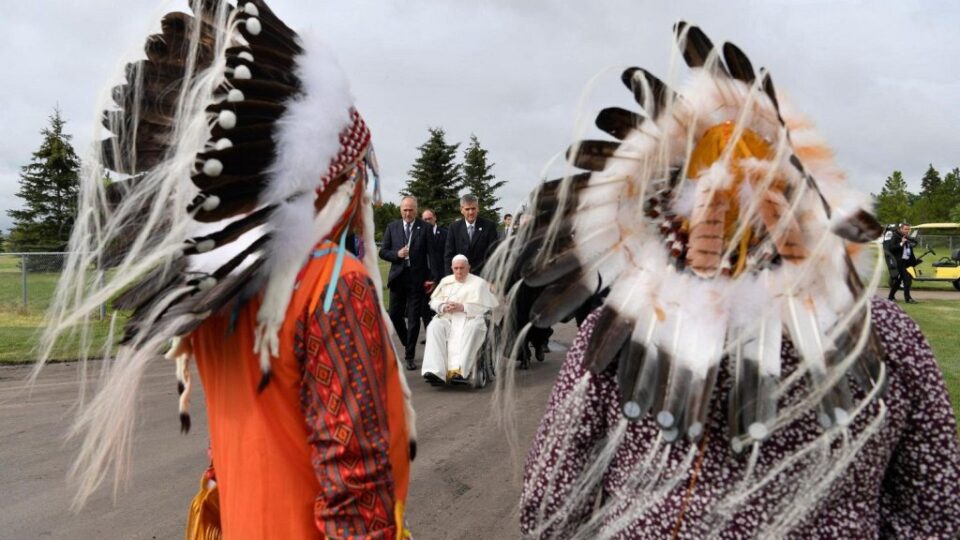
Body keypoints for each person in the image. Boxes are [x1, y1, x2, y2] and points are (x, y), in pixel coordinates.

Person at [491, 22, 960, 538]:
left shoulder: (614, 333)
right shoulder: (892, 336)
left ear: (671, 208)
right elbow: (934, 515)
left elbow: (549, 515)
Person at [35, 2, 415, 538]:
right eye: (359, 181)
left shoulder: (220, 288)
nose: (362, 202)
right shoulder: (333, 284)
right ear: (334, 181)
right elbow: (355, 477)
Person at [422, 255, 499, 384]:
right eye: (456, 268)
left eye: (462, 268)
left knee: (473, 328)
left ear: (468, 268)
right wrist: (443, 306)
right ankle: (435, 371)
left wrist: (463, 307)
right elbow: (434, 302)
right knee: (434, 326)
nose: (459, 271)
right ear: (452, 268)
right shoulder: (446, 281)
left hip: (470, 318)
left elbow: (485, 307)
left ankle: (461, 370)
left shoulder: (479, 283)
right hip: (448, 318)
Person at [380, 196, 437, 369]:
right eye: (405, 209)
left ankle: (409, 356)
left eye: (411, 209)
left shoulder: (425, 228)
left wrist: (432, 278)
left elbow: (433, 256)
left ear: (416, 210)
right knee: (394, 316)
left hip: (417, 280)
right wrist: (396, 255)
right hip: (398, 279)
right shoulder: (392, 227)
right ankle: (407, 342)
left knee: (413, 319)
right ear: (400, 210)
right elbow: (382, 252)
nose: (408, 213)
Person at [444, 194, 499, 276]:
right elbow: (449, 255)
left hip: (483, 276)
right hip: (461, 276)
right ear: (461, 210)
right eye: (467, 209)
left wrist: (493, 278)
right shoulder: (454, 228)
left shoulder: (489, 226)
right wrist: (449, 277)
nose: (471, 212)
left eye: (473, 208)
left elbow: (494, 254)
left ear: (478, 209)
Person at [420, 208, 447, 332]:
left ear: (435, 218)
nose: (427, 221)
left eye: (429, 218)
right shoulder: (419, 235)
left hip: (442, 277)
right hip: (425, 277)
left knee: (442, 307)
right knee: (425, 309)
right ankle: (430, 334)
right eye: (424, 219)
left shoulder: (445, 233)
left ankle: (444, 333)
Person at [886, 222, 919, 303]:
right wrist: (901, 243)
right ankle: (908, 299)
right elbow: (891, 248)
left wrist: (911, 241)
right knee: (907, 279)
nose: (907, 231)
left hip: (905, 262)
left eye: (908, 229)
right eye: (905, 229)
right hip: (898, 262)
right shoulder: (895, 237)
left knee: (898, 281)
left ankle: (890, 297)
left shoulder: (905, 236)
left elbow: (915, 242)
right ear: (901, 229)